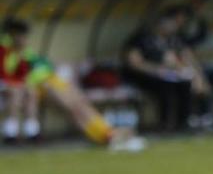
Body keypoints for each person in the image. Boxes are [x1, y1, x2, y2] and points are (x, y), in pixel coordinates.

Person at [0, 20, 144, 150]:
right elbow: (14, 74)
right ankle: (106, 135)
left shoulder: (25, 51)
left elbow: (41, 67)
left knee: (79, 104)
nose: (24, 40)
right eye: (21, 36)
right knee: (72, 107)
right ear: (12, 35)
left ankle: (107, 132)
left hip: (50, 82)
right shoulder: (6, 51)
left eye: (25, 36)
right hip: (40, 86)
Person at [122, 11, 212, 131]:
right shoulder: (141, 39)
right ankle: (164, 123)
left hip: (170, 76)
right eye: (170, 24)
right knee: (165, 88)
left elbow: (186, 58)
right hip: (143, 77)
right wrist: (157, 70)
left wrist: (196, 76)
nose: (172, 27)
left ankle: (184, 123)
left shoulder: (174, 40)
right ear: (159, 25)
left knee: (185, 84)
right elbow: (135, 63)